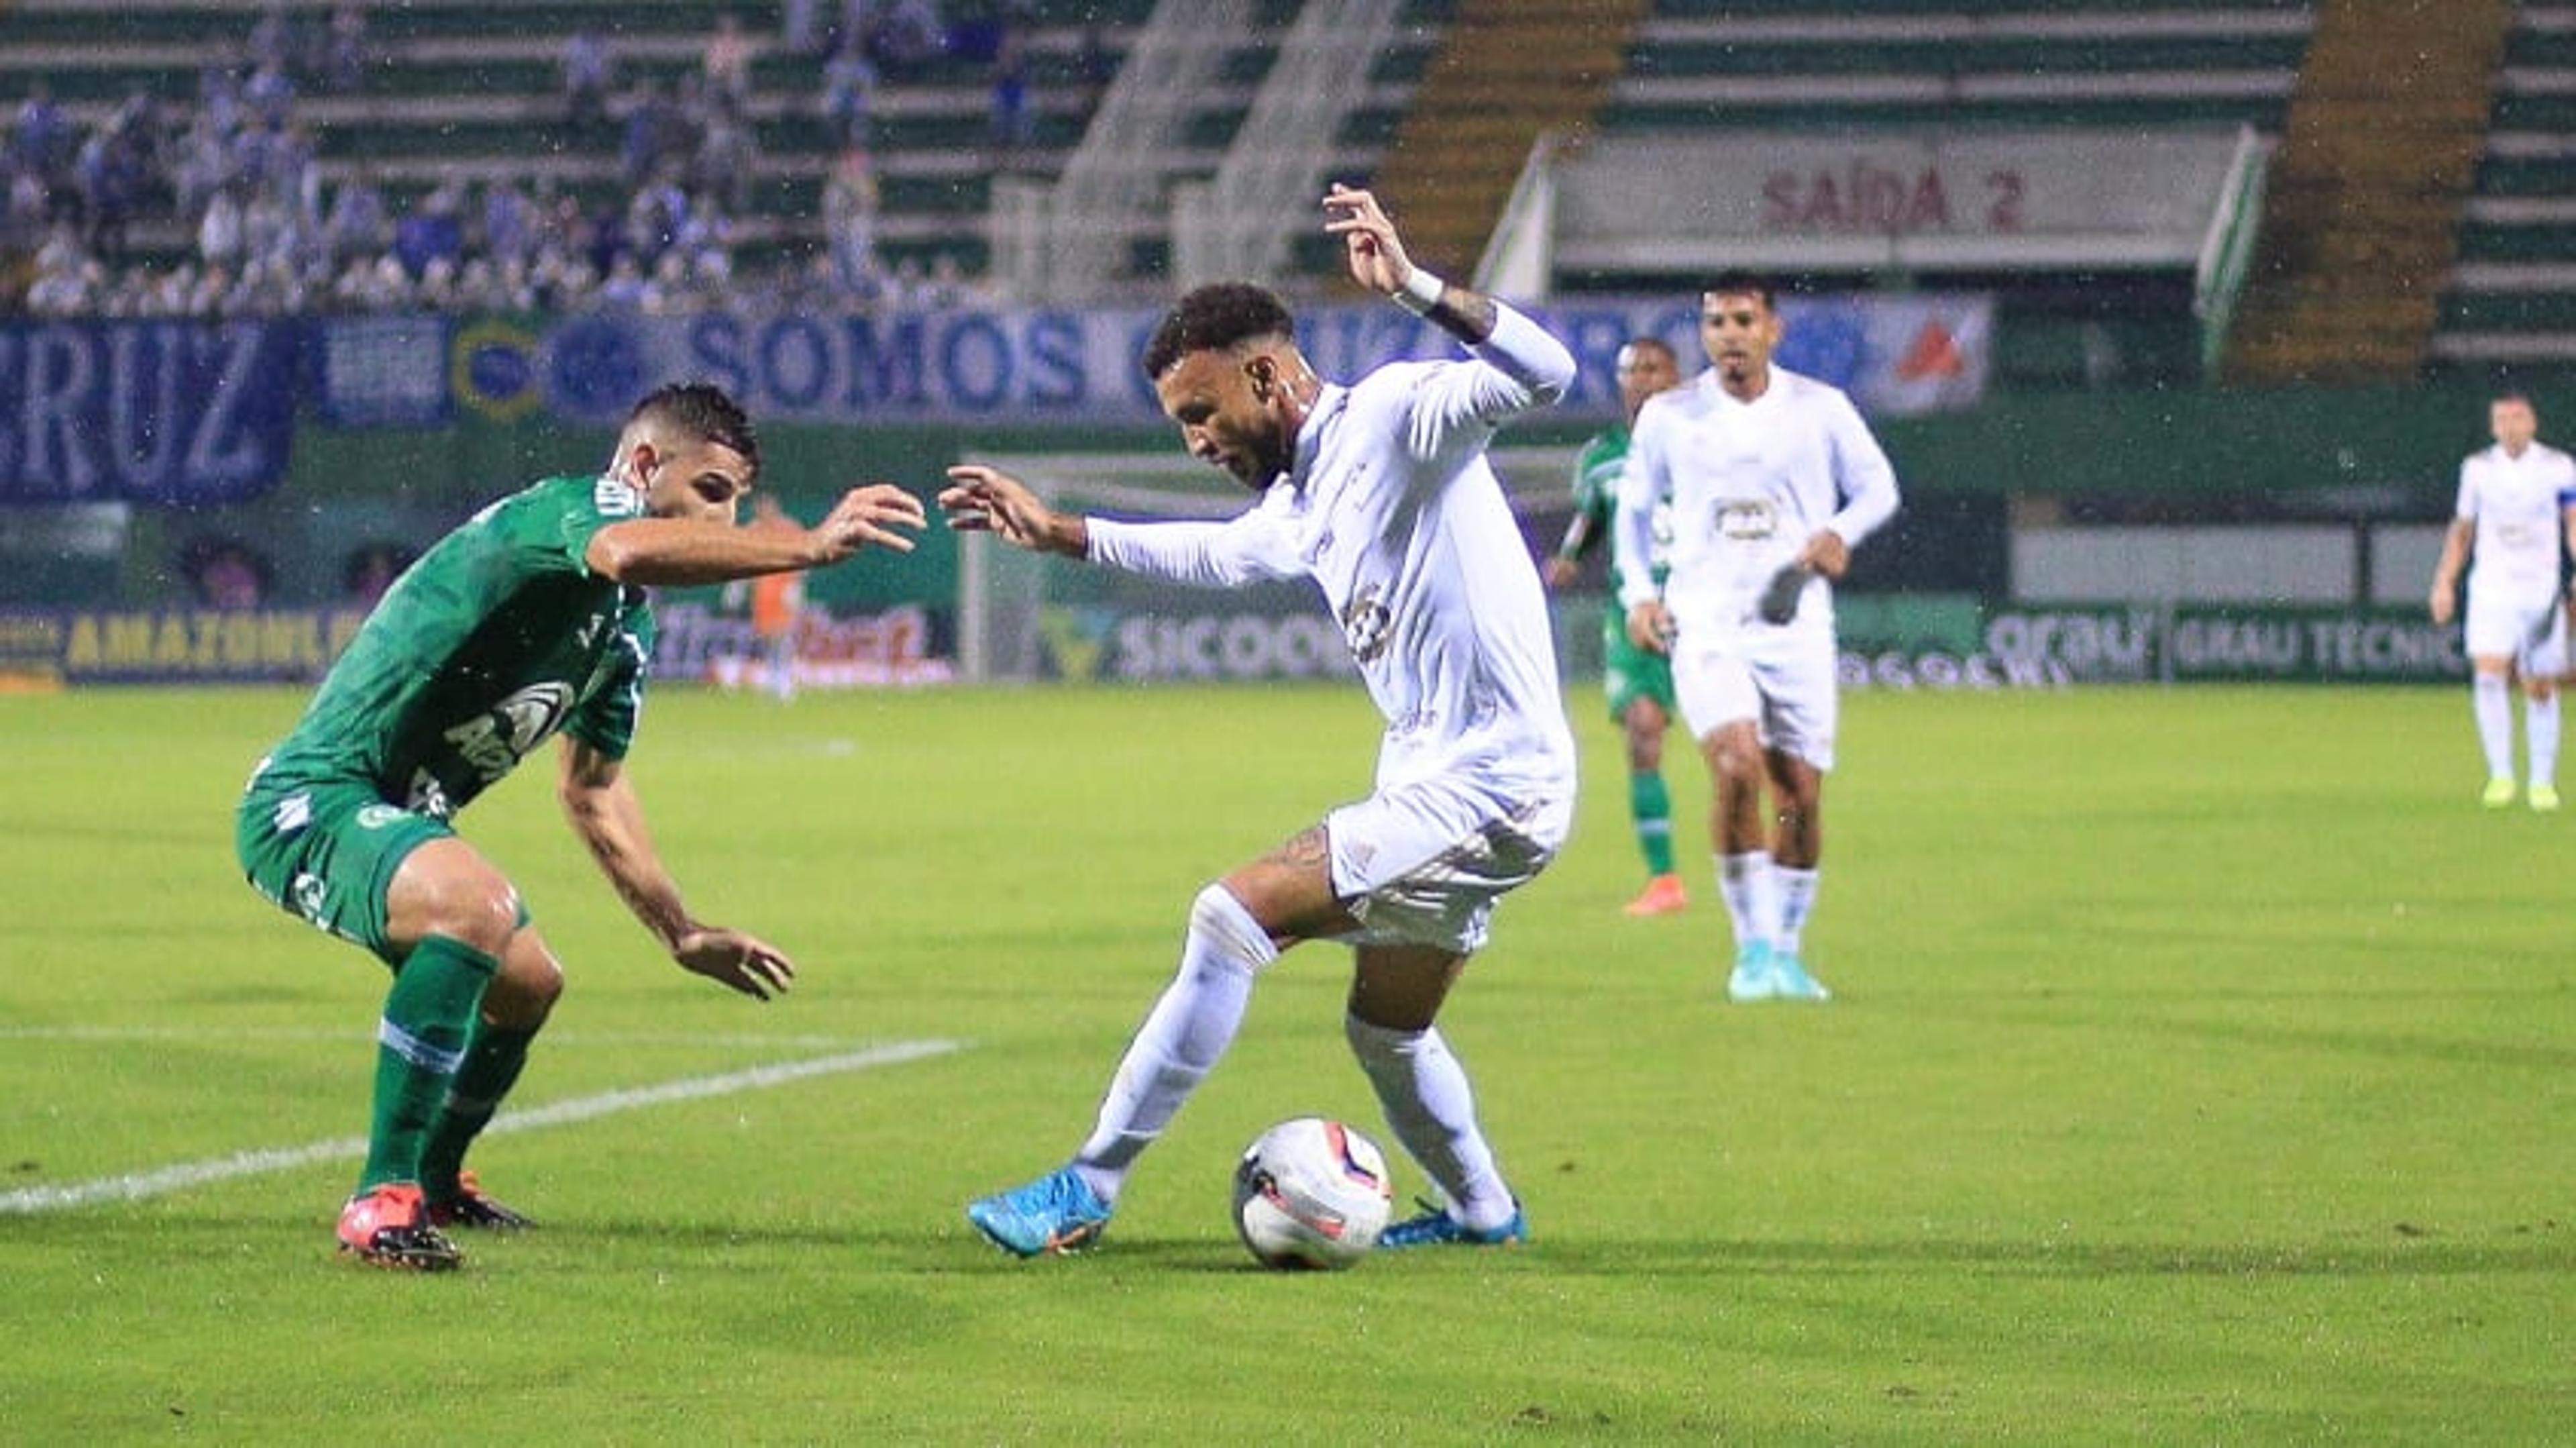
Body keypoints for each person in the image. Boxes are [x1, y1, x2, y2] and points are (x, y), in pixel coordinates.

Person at [941, 183, 1578, 1257]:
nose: (1195, 440)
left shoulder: (1397, 415)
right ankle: (1483, 1210)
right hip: (1443, 785)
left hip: (1495, 778)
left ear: (1268, 374)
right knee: (1388, 1029)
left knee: (1230, 914)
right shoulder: (1304, 498)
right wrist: (1064, 534)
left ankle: (1088, 1186)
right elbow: (1219, 551)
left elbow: (1551, 374)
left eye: (1201, 413)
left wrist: (1417, 286)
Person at [233, 383, 924, 1270]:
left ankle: (439, 1178)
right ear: (642, 465)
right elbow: (626, 546)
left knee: (529, 982)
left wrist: (680, 929)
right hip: (312, 799)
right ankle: (382, 1195)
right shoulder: (575, 510)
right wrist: (805, 546)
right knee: (475, 909)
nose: (728, 516)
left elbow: (594, 791)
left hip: (400, 816)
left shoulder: (621, 633)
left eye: (739, 501)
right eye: (714, 491)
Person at [1613, 274, 1900, 1004]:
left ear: (1773, 329)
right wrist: (1639, 594)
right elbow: (1635, 513)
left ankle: (1789, 953)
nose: (1730, 335)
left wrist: (1840, 532)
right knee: (1736, 768)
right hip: (1705, 618)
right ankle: (1752, 949)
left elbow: (1878, 487)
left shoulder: (1819, 409)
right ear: (1703, 334)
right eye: (1715, 323)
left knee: (1798, 794)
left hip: (1795, 622)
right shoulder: (1673, 416)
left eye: (1744, 320)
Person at [1542, 335, 1687, 916]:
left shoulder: (1707, 444)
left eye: (1653, 368)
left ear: (1675, 378)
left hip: (1706, 609)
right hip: (1635, 611)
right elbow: (1590, 520)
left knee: (1742, 744)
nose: (1642, 379)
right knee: (1643, 732)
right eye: (1631, 370)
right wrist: (1568, 560)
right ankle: (1665, 880)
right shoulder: (1603, 456)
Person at [2428, 391, 2576, 811]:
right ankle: (2501, 775)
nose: (2511, 425)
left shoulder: (2559, 467)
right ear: (2494, 427)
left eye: (2518, 417)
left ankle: (2542, 782)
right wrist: (2444, 581)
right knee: (2489, 671)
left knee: (2540, 683)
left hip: (2540, 587)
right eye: (2502, 419)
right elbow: (2463, 529)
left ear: (2533, 423)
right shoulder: (2477, 470)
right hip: (2492, 586)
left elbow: (2572, 521)